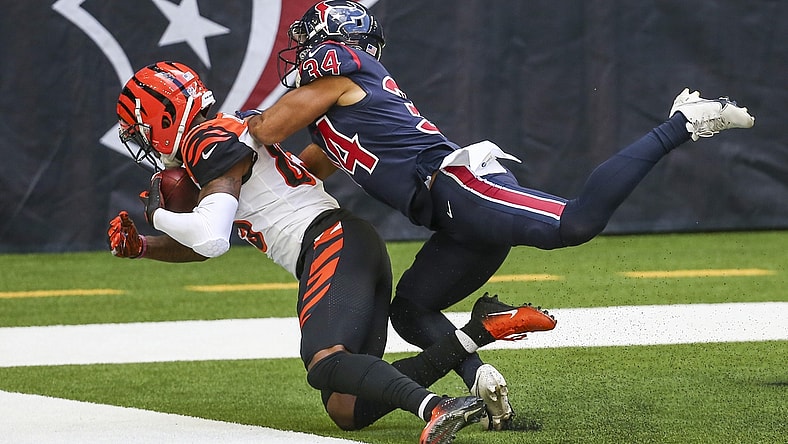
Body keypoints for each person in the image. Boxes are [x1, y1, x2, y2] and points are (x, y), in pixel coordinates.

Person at [242, 0, 757, 430]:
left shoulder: (340, 78)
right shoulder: (342, 114)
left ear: (333, 44)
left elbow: (265, 131)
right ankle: (481, 380)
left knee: (575, 224)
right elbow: (298, 170)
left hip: (459, 186)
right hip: (450, 216)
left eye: (310, 41)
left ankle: (682, 122)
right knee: (412, 309)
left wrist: (215, 139)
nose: (303, 52)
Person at [106, 61, 557, 444]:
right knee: (349, 408)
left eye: (140, 131)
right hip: (346, 244)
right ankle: (480, 330)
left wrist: (156, 216)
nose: (142, 143)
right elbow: (207, 243)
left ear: (159, 119)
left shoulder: (205, 141)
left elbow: (211, 237)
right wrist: (143, 248)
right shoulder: (226, 130)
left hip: (328, 242)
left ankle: (437, 407)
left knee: (325, 362)